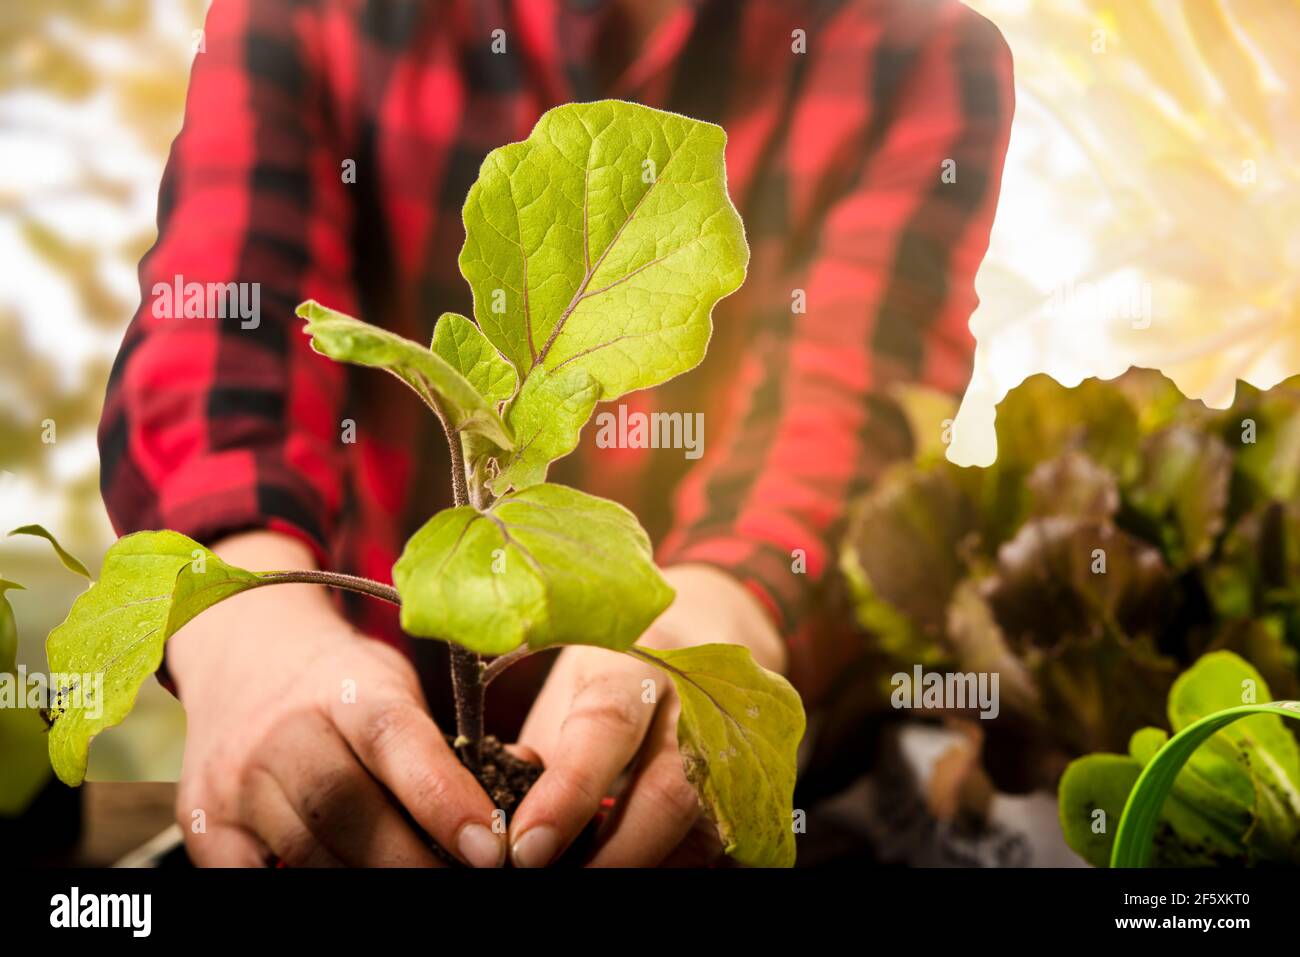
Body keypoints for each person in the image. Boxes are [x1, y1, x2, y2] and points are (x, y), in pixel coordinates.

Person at [98, 0, 1012, 867]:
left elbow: (842, 416)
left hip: (681, 793)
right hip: (351, 733)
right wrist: (250, 626)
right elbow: (220, 328)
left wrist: (712, 619)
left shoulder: (920, 50)